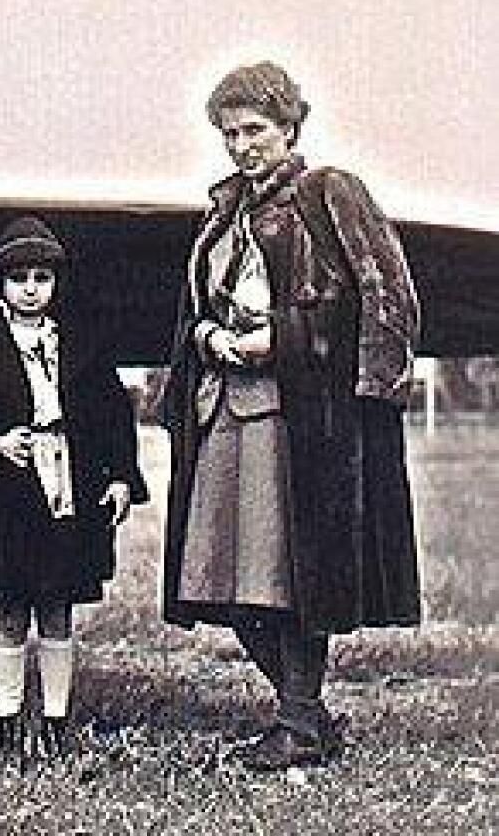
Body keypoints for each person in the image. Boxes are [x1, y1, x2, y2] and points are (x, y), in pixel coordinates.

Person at [161, 61, 421, 771]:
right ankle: (305, 714)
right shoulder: (223, 211)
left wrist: (284, 336)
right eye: (231, 133)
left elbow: (383, 294)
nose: (244, 145)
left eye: (257, 129)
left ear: (290, 128)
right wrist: (209, 337)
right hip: (222, 409)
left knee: (290, 575)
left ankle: (300, 724)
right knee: (219, 577)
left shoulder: (327, 192)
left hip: (297, 416)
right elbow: (199, 308)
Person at [0, 216, 146, 765]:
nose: (31, 289)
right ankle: (7, 724)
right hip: (2, 500)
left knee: (57, 607)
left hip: (68, 492)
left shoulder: (81, 343)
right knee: (8, 611)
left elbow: (113, 415)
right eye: (19, 277)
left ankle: (54, 722)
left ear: (57, 283)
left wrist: (121, 476)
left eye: (42, 277)